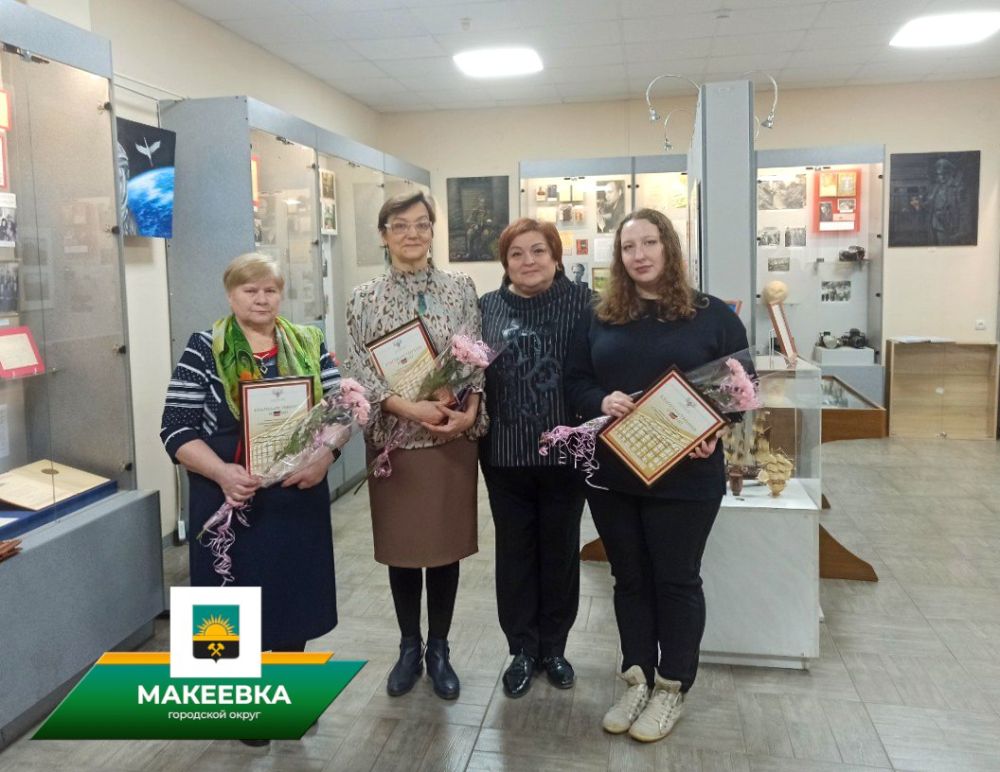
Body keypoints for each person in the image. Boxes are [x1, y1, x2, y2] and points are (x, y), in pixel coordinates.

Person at [564, 208, 749, 743]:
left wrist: (718, 425)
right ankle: (637, 677)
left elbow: (742, 386)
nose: (639, 255)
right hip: (615, 472)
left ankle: (672, 687)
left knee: (676, 579)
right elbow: (575, 381)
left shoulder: (712, 315)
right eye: (629, 247)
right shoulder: (601, 316)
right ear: (619, 257)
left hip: (687, 476)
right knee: (629, 578)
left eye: (649, 243)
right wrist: (601, 399)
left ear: (669, 246)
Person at [160, 252, 341, 747]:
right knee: (229, 606)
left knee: (293, 599)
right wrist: (222, 473)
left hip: (295, 496)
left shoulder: (308, 341)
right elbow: (175, 428)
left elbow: (340, 410)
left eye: (270, 290)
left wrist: (325, 456)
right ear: (230, 294)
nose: (261, 299)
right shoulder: (203, 348)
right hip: (228, 498)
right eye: (250, 290)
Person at [344, 191, 486, 701]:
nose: (412, 233)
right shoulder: (363, 298)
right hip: (396, 445)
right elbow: (357, 369)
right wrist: (408, 408)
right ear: (383, 235)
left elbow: (475, 357)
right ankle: (409, 647)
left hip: (449, 438)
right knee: (403, 551)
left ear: (432, 231)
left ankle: (440, 648)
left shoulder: (460, 288)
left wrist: (469, 410)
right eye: (400, 225)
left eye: (422, 224)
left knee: (444, 551)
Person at [479, 218, 592, 698]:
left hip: (565, 453)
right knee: (515, 553)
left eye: (538, 251)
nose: (528, 261)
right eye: (517, 253)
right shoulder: (487, 307)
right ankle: (522, 649)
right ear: (505, 263)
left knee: (561, 551)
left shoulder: (584, 303)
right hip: (504, 453)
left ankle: (554, 649)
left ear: (556, 256)